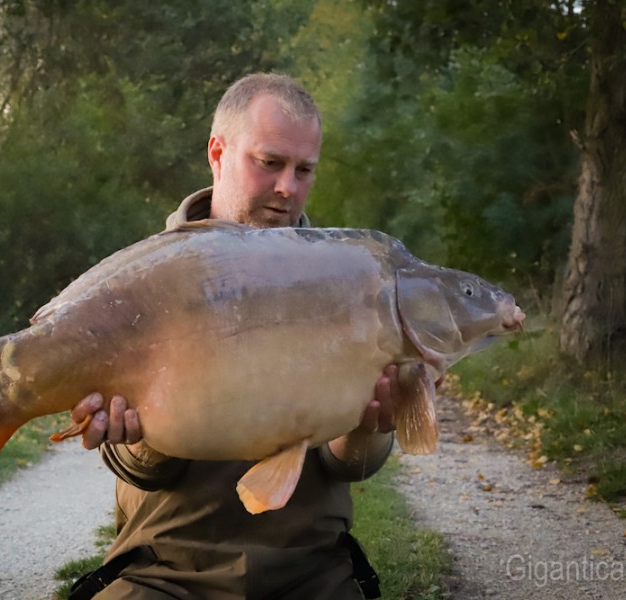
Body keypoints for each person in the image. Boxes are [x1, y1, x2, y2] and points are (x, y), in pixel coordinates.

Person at [67, 73, 399, 600]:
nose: (288, 186)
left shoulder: (346, 282)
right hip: (165, 571)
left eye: (304, 169)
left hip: (311, 570)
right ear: (218, 153)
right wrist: (140, 438)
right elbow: (141, 474)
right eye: (270, 163)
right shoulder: (142, 281)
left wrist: (370, 425)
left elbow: (349, 465)